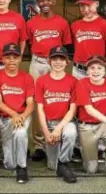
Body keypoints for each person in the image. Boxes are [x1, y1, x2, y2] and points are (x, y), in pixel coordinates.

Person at [26, 0, 72, 162]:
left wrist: (60, 65)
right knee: (38, 101)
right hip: (38, 62)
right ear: (37, 3)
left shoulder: (62, 22)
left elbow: (66, 45)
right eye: (41, 0)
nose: (45, 3)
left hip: (57, 63)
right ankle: (39, 144)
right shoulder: (31, 23)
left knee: (58, 98)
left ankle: (59, 135)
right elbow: (30, 43)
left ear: (54, 1)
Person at [70, 0, 106, 163]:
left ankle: (101, 147)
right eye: (82, 6)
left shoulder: (105, 25)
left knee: (99, 105)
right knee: (78, 107)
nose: (85, 9)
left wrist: (104, 72)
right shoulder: (75, 25)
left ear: (96, 4)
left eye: (88, 5)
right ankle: (79, 146)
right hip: (79, 70)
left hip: (97, 71)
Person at [0, 43, 34, 184]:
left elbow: (30, 104)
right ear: (3, 59)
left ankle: (22, 167)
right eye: (8, 57)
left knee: (21, 132)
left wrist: (21, 116)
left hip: (22, 117)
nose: (11, 61)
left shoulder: (27, 77)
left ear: (20, 59)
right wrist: (14, 115)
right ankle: (15, 150)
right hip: (6, 118)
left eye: (15, 57)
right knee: (9, 165)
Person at [35, 46, 77, 183]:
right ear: (49, 61)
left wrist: (59, 128)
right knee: (53, 166)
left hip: (65, 123)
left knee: (70, 132)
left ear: (67, 62)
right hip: (49, 125)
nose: (58, 62)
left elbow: (72, 110)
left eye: (61, 59)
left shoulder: (73, 81)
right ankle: (59, 163)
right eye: (54, 59)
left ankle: (64, 163)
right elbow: (40, 109)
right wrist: (46, 132)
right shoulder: (41, 81)